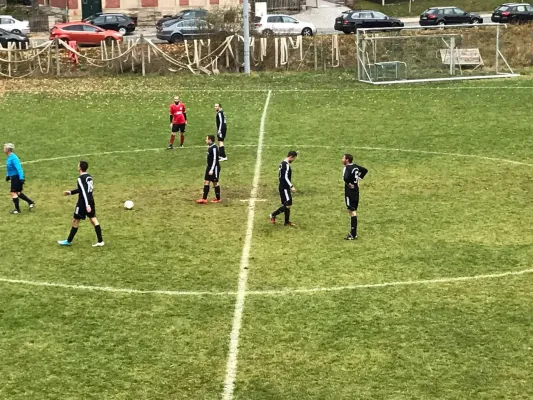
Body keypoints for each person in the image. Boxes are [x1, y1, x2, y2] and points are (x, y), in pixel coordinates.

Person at [58, 161, 104, 247]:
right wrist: (71, 192)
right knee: (93, 219)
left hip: (83, 202)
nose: (77, 166)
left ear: (80, 168)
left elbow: (83, 191)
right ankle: (100, 241)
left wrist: (87, 205)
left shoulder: (80, 178)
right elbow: (84, 189)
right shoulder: (89, 177)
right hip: (91, 200)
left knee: (75, 220)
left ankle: (68, 241)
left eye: (78, 165)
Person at [342, 153, 368, 240]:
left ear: (347, 160)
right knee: (354, 210)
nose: (342, 160)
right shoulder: (355, 166)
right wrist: (358, 179)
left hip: (350, 192)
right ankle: (353, 233)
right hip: (356, 191)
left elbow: (345, 178)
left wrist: (349, 184)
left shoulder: (347, 168)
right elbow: (364, 170)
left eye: (343, 158)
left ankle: (353, 234)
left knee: (351, 211)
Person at [3, 143, 34, 214]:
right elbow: (10, 168)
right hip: (13, 176)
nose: (3, 149)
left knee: (13, 193)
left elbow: (19, 168)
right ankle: (30, 202)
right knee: (18, 193)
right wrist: (8, 175)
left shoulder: (13, 158)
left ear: (8, 149)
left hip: (16, 177)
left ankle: (17, 210)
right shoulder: (9, 157)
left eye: (4, 148)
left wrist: (21, 178)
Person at [269, 151, 297, 227]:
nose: (293, 160)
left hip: (282, 186)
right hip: (284, 188)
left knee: (287, 204)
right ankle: (273, 215)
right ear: (291, 157)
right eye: (293, 158)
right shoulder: (286, 165)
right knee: (288, 203)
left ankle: (286, 222)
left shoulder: (282, 163)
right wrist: (291, 186)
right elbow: (285, 177)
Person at [196, 135, 221, 204]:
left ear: (210, 140)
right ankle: (204, 199)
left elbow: (215, 159)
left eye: (206, 139)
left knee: (215, 182)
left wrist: (212, 169)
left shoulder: (214, 148)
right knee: (206, 181)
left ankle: (218, 198)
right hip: (209, 167)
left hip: (214, 168)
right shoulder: (210, 147)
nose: (206, 140)